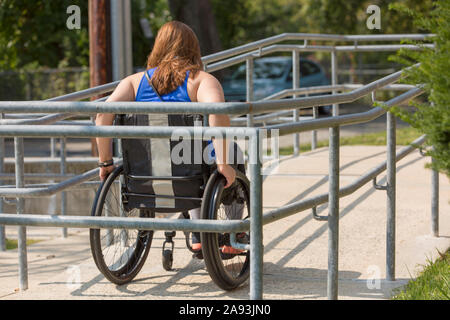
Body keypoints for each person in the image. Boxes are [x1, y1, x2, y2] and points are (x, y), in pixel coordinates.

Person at [95, 21, 236, 253]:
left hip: (143, 177)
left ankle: (199, 234)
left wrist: (106, 162)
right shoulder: (201, 81)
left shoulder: (133, 82)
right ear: (194, 48)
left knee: (190, 160)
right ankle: (235, 232)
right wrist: (223, 163)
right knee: (230, 153)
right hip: (190, 174)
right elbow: (218, 114)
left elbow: (102, 115)